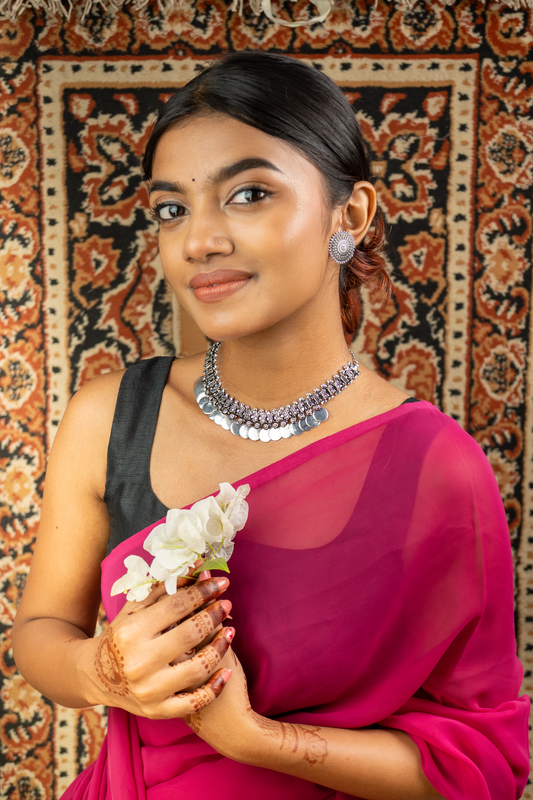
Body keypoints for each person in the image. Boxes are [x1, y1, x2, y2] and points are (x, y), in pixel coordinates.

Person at [12, 51, 530, 800]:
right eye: (171, 209)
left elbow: (480, 761)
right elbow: (41, 633)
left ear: (348, 216)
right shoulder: (110, 417)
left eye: (248, 193)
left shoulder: (435, 467)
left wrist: (257, 741)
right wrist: (104, 672)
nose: (198, 242)